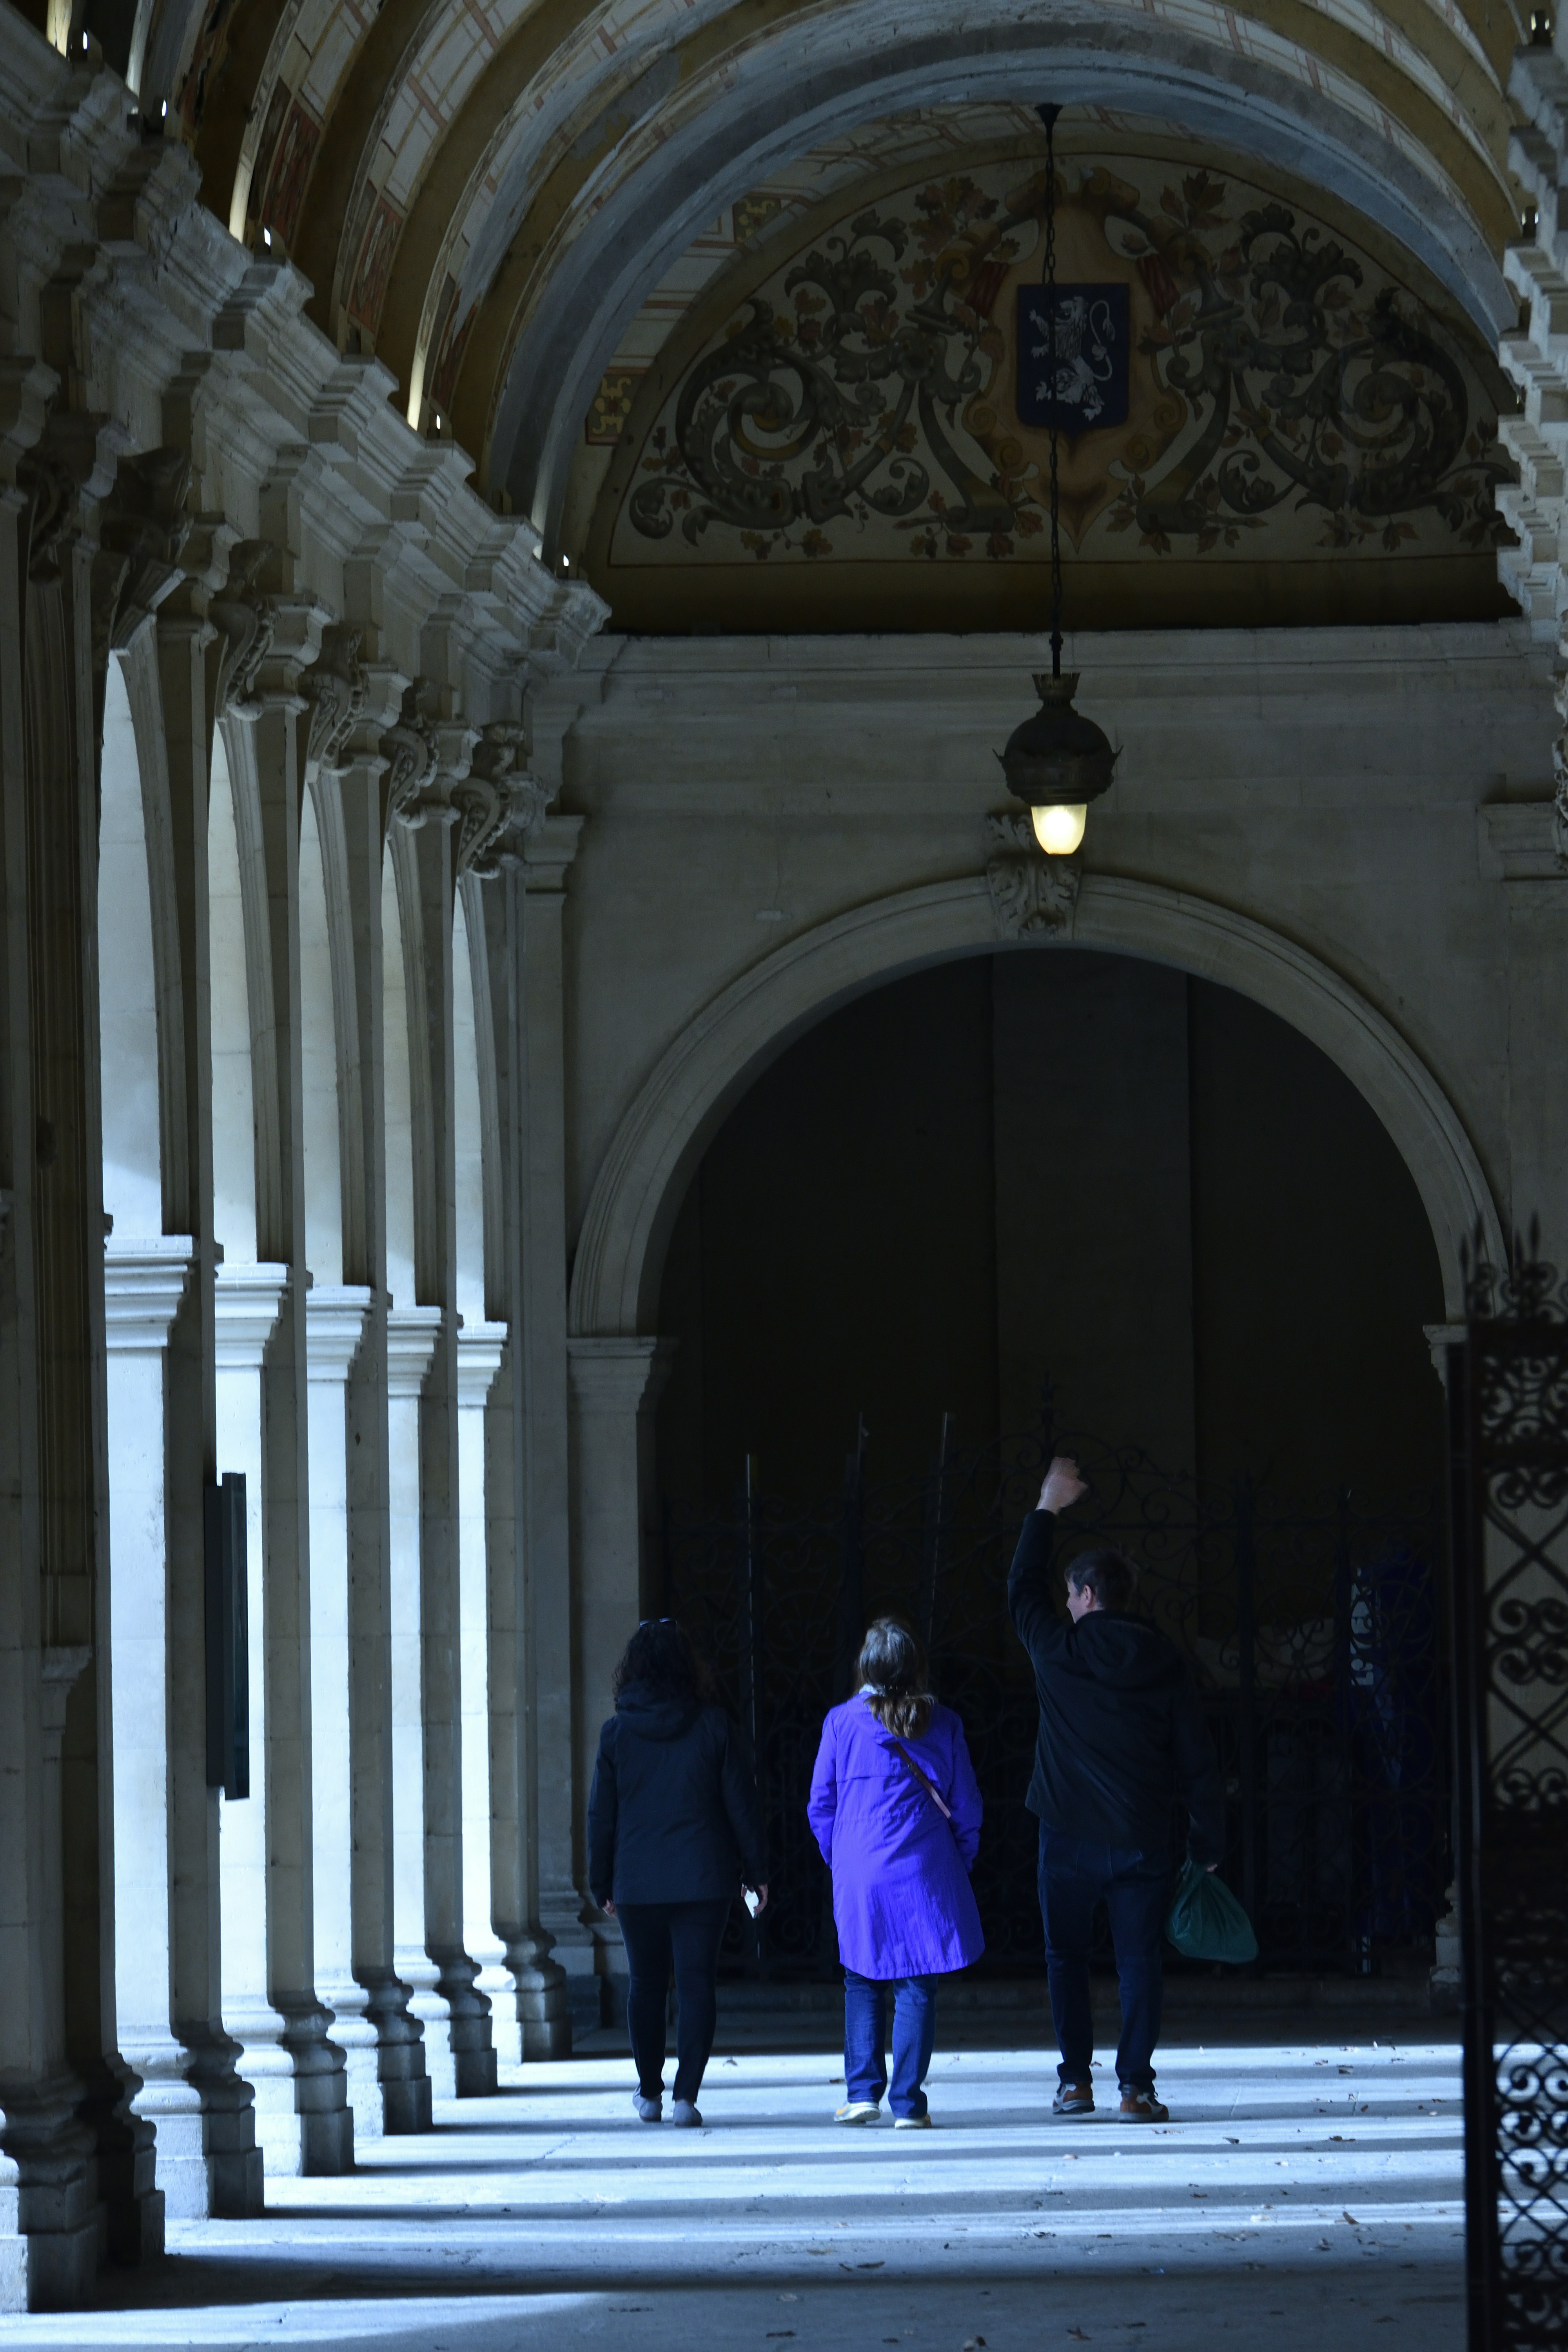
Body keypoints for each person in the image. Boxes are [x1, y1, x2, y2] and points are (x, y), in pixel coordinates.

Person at [1009, 1456, 1225, 2123]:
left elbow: (1020, 1590)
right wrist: (1208, 1840)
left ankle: (1076, 2082)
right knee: (1140, 1965)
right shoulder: (1167, 1662)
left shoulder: (1060, 1653)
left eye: (1072, 1596)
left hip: (1067, 1835)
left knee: (1065, 1958)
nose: (1067, 1604)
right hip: (1142, 1838)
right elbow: (1198, 1760)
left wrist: (1046, 1507)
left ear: (1086, 1595)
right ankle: (1136, 2087)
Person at [588, 1617, 768, 2127]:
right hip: (702, 1877)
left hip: (638, 1879)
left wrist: (600, 1880)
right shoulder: (714, 1726)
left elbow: (602, 1815)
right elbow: (742, 1805)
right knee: (695, 1986)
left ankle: (649, 2091)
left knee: (645, 1984)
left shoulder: (616, 1734)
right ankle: (686, 2096)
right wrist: (756, 1870)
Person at [808, 1617, 984, 2128]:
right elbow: (967, 1805)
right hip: (925, 1870)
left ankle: (862, 2093)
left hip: (861, 1870)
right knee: (917, 1985)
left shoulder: (841, 1723)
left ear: (865, 1666)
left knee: (862, 1980)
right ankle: (908, 2104)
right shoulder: (945, 1724)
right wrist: (962, 1858)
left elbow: (821, 1804)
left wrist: (838, 1857)